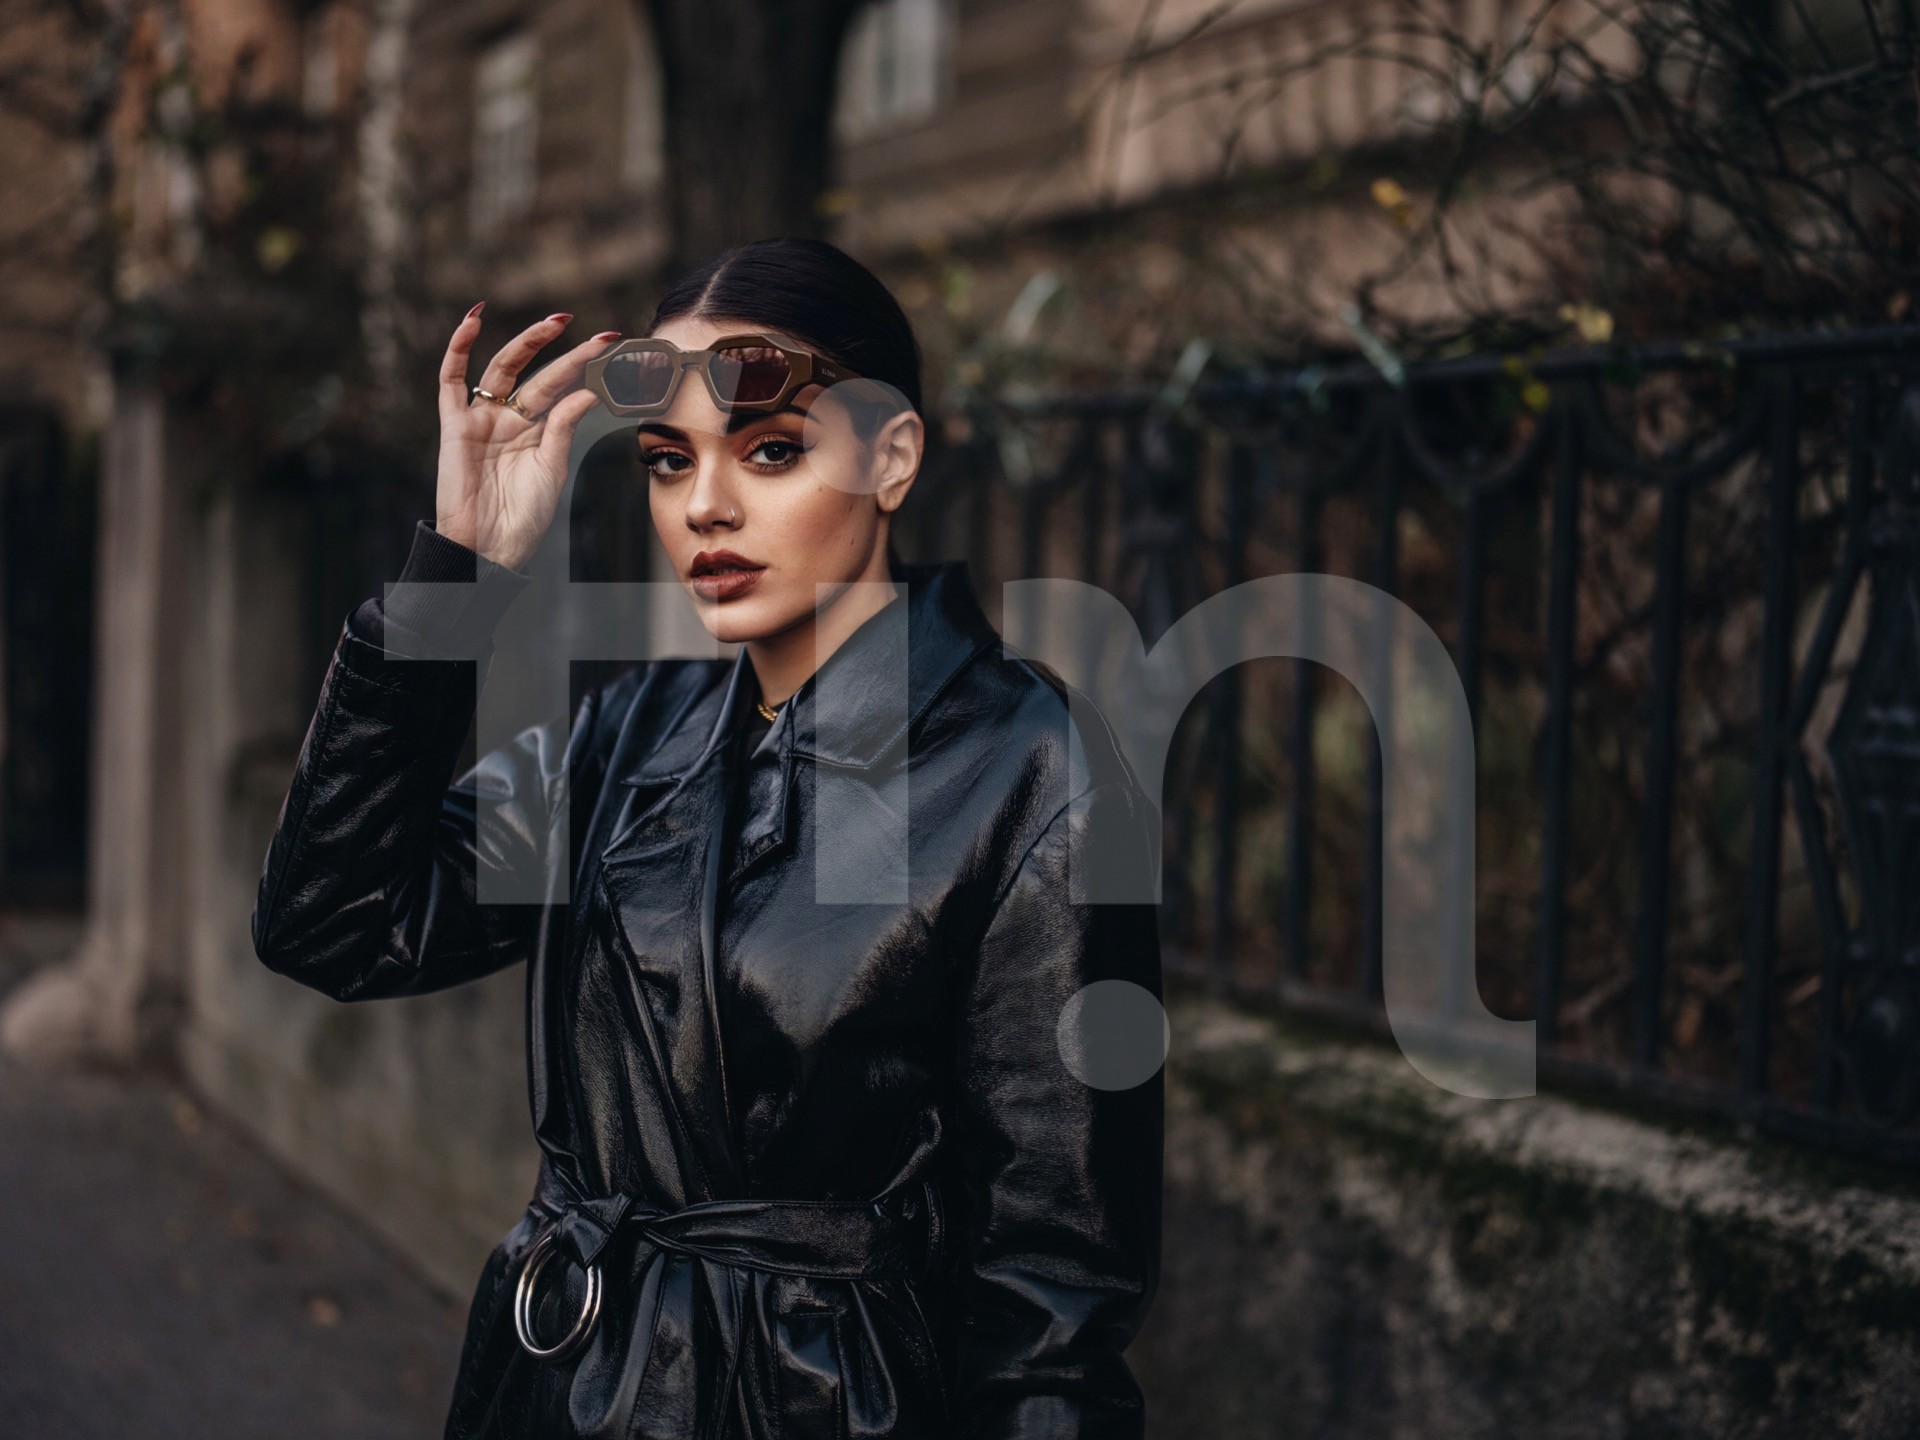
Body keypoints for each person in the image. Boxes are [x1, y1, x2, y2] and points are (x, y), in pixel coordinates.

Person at [252, 237, 1163, 1440]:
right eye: (667, 461)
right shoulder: (628, 734)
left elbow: (1056, 1302)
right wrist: (454, 580)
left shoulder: (1031, 766)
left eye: (771, 452)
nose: (705, 507)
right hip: (562, 1388)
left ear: (892, 456)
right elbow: (335, 923)